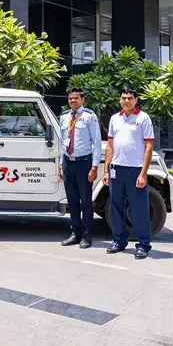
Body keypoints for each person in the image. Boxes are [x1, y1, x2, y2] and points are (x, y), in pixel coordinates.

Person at [103, 88, 154, 259]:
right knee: (116, 206)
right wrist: (106, 170)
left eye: (130, 98)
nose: (126, 101)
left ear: (136, 100)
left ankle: (143, 245)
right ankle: (119, 241)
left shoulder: (143, 118)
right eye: (124, 98)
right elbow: (110, 146)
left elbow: (148, 147)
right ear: (120, 100)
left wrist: (143, 173)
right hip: (117, 169)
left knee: (139, 208)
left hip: (135, 170)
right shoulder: (114, 119)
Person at [59, 87, 102, 249]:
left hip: (84, 163)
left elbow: (96, 143)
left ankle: (86, 236)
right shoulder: (64, 117)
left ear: (83, 100)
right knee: (72, 202)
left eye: (76, 98)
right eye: (70, 98)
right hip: (68, 162)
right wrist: (60, 165)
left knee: (86, 202)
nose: (73, 101)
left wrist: (94, 167)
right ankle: (75, 234)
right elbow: (62, 142)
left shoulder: (89, 117)